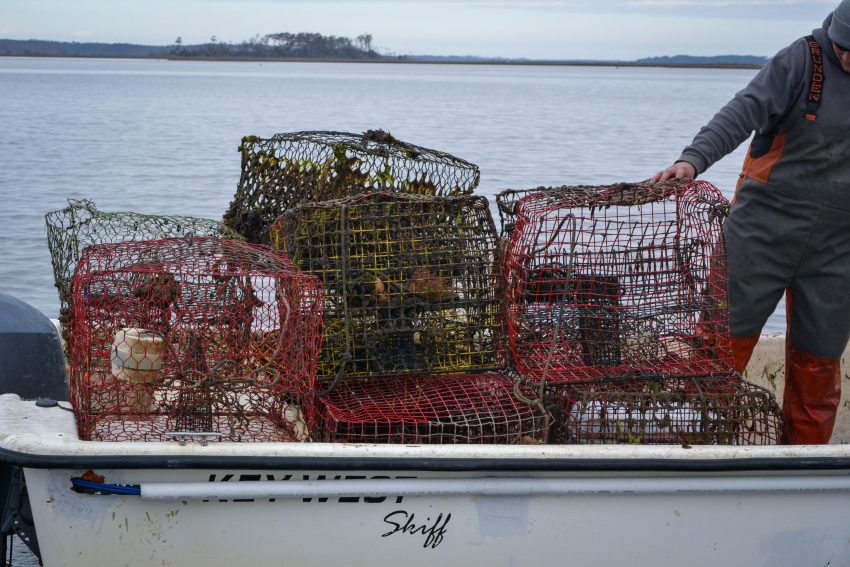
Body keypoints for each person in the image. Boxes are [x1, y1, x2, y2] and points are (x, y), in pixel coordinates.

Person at [652, 1, 850, 444]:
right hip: (762, 232)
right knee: (722, 345)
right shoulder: (803, 60)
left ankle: (802, 468)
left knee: (819, 363)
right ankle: (701, 447)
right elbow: (741, 112)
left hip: (838, 248)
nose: (849, 57)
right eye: (845, 48)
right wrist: (692, 160)